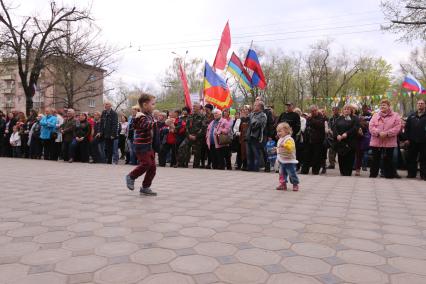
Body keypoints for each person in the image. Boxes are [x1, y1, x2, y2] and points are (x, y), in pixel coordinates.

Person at [125, 93, 158, 196]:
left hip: (149, 146)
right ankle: (131, 176)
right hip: (141, 145)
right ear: (144, 105)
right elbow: (146, 126)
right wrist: (161, 122)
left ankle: (145, 187)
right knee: (146, 164)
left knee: (152, 167)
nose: (154, 106)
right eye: (152, 104)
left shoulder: (149, 116)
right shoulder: (141, 117)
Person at [369, 99, 401, 179]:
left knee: (388, 159)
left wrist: (387, 133)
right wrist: (378, 133)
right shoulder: (375, 115)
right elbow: (371, 126)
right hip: (376, 141)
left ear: (389, 106)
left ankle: (389, 175)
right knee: (375, 159)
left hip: (389, 142)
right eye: (381, 105)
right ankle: (373, 175)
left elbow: (397, 127)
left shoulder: (395, 115)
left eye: (384, 105)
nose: (382, 106)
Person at [333, 105, 360, 176]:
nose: (346, 110)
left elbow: (355, 128)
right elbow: (335, 128)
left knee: (349, 157)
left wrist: (347, 133)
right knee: (341, 157)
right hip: (341, 142)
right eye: (345, 109)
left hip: (350, 141)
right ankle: (342, 172)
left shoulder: (355, 118)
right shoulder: (339, 118)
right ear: (343, 110)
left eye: (348, 109)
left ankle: (348, 173)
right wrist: (337, 135)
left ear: (351, 110)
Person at [301, 105, 326, 175]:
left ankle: (315, 171)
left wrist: (311, 119)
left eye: (315, 110)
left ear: (317, 110)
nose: (313, 112)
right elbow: (307, 126)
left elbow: (320, 124)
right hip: (309, 140)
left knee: (317, 156)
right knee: (306, 155)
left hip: (318, 140)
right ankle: (304, 170)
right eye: (312, 111)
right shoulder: (309, 118)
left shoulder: (321, 117)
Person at [405, 99, 426, 180]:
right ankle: (411, 174)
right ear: (417, 105)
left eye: (422, 103)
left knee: (424, 159)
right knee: (411, 158)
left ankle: (423, 175)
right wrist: (406, 139)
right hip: (412, 141)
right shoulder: (411, 116)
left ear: (425, 105)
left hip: (424, 141)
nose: (420, 105)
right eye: (418, 103)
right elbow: (407, 128)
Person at [275, 122, 300, 191]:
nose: (278, 133)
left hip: (289, 160)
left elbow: (291, 147)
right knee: (282, 173)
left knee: (292, 173)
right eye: (277, 131)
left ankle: (295, 184)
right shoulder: (280, 139)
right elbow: (279, 147)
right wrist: (276, 149)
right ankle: (283, 184)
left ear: (286, 131)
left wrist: (285, 145)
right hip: (282, 159)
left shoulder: (289, 139)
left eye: (280, 131)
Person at [246, 101, 267, 172]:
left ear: (260, 107)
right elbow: (248, 123)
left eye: (255, 105)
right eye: (254, 105)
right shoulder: (252, 114)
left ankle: (256, 168)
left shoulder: (263, 115)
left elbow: (256, 125)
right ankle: (250, 168)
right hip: (249, 136)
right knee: (249, 154)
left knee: (256, 153)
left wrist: (251, 120)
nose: (254, 106)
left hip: (256, 137)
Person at [185, 103, 207, 168]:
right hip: (189, 136)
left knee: (197, 152)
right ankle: (183, 163)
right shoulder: (190, 116)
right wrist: (188, 135)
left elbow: (203, 128)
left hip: (198, 137)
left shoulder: (203, 116)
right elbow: (186, 127)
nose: (193, 107)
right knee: (183, 148)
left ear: (199, 108)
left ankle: (196, 165)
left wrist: (196, 136)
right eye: (193, 106)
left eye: (195, 106)